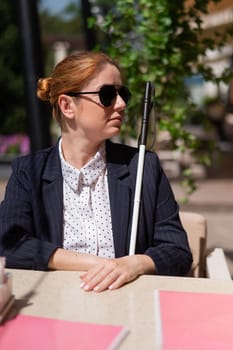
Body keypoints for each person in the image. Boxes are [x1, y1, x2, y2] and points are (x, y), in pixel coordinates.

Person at [0, 51, 192, 292]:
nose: (121, 104)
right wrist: (102, 265)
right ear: (67, 105)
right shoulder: (29, 172)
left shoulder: (143, 167)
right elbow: (8, 243)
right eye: (107, 95)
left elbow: (178, 250)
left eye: (122, 94)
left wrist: (136, 264)